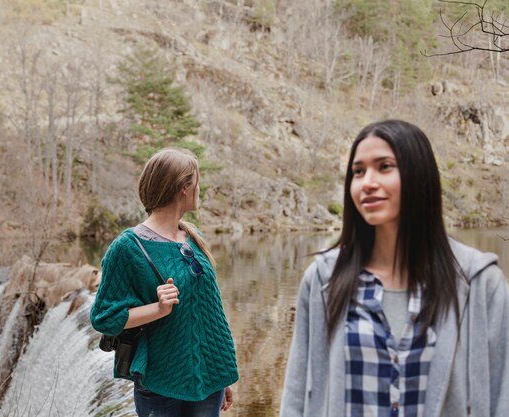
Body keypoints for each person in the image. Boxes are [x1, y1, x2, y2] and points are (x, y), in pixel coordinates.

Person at [280, 120, 509, 417]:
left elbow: (502, 396)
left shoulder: (480, 283)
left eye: (384, 166)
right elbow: (296, 396)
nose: (367, 182)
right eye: (358, 171)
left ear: (419, 174)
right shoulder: (323, 279)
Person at [90, 148, 238, 417]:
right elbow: (103, 317)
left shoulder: (192, 236)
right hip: (160, 380)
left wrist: (221, 374)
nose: (199, 188)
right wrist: (157, 309)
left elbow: (209, 312)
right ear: (183, 188)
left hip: (207, 378)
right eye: (197, 182)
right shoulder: (127, 248)